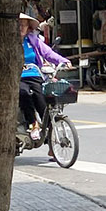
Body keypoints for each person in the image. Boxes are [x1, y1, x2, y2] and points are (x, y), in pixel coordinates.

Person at [19, 13, 70, 142]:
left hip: (35, 75)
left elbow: (48, 53)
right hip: (18, 77)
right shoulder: (9, 42)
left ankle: (52, 139)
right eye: (18, 25)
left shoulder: (33, 41)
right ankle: (33, 124)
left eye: (23, 25)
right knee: (24, 93)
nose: (21, 27)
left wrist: (63, 61)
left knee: (41, 99)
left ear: (28, 27)